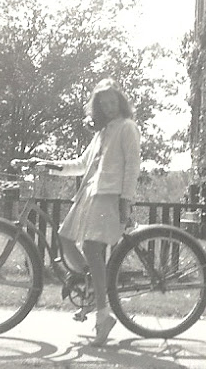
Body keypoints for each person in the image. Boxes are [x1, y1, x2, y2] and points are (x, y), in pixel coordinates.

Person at [26, 78, 141, 346]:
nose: (109, 107)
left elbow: (133, 165)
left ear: (120, 102)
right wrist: (50, 164)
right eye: (103, 104)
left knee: (91, 248)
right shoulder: (102, 133)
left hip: (109, 196)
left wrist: (126, 199)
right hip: (88, 195)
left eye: (113, 102)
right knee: (65, 238)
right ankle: (92, 286)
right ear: (98, 107)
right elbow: (80, 164)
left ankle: (103, 315)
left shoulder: (127, 127)